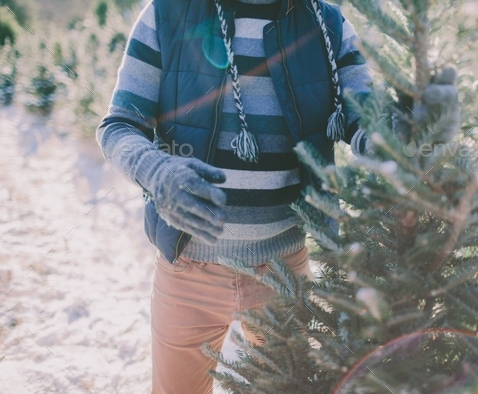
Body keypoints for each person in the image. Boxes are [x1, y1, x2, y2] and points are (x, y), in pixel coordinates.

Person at [96, 0, 458, 392]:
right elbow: (118, 125)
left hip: (285, 273)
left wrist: (409, 134)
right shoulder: (168, 12)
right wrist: (156, 170)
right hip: (189, 271)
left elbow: (364, 123)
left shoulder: (326, 22)